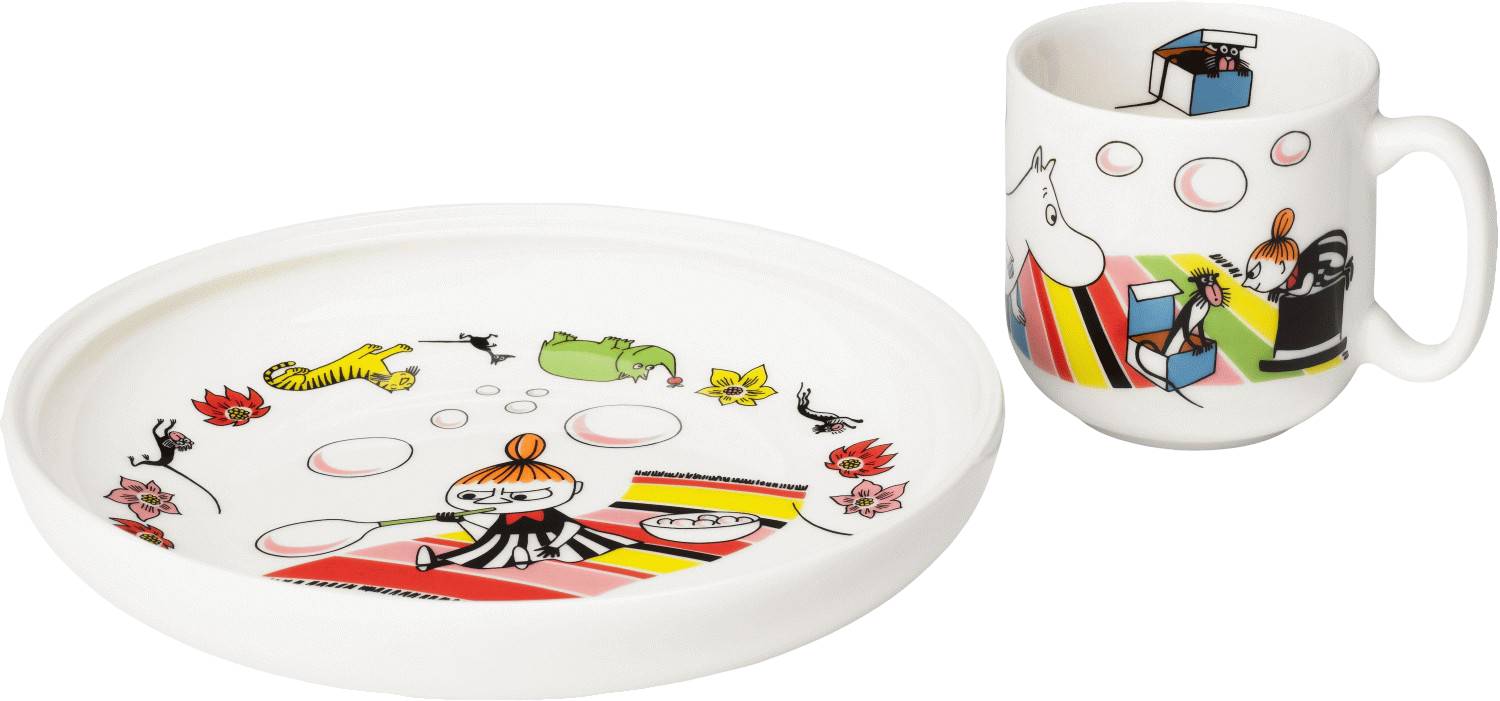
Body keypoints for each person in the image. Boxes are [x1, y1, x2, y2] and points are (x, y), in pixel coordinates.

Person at [415, 432, 633, 571]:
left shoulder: (545, 512)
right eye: (472, 496)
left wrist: (554, 545)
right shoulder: (505, 516)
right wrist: (460, 521)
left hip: (550, 540)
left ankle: (524, 559)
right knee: (479, 552)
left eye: (520, 497)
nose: (500, 501)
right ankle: (435, 562)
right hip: (506, 542)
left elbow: (571, 527)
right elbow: (485, 537)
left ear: (576, 488)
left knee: (582, 548)